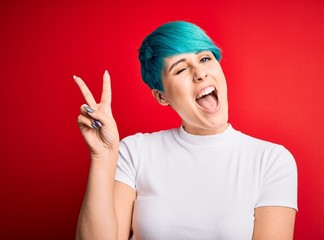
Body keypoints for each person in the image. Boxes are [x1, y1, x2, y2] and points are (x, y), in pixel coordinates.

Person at [74, 21, 297, 240]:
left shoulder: (272, 161)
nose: (199, 73)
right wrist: (103, 157)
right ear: (161, 96)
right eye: (180, 68)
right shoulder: (134, 152)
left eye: (205, 58)